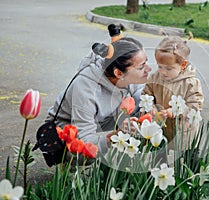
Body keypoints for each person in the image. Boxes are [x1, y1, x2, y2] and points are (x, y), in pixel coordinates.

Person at [46, 25, 152, 155]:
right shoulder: (86, 86)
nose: (149, 69)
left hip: (103, 122)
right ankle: (73, 169)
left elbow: (142, 98)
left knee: (148, 113)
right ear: (119, 73)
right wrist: (115, 136)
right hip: (68, 130)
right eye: (142, 67)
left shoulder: (128, 78)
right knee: (88, 149)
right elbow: (84, 137)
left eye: (146, 62)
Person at [143, 34, 204, 150]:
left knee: (188, 157)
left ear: (183, 65)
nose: (163, 72)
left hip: (184, 131)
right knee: (160, 154)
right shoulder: (155, 78)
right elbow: (147, 93)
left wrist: (174, 112)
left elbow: (195, 105)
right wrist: (152, 108)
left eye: (168, 68)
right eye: (160, 66)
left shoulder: (190, 83)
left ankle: (189, 167)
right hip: (161, 128)